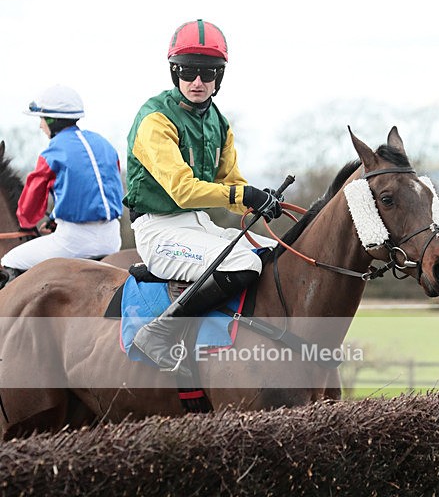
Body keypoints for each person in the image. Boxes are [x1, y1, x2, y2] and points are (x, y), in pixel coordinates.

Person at [124, 18, 282, 370]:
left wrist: (261, 199)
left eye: (207, 73)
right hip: (158, 231)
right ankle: (158, 333)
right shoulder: (155, 120)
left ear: (218, 77)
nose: (197, 81)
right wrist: (245, 194)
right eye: (188, 71)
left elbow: (231, 181)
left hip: (198, 225)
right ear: (175, 72)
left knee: (275, 254)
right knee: (244, 263)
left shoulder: (219, 122)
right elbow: (183, 191)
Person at [0, 84, 123, 284]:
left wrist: (28, 223)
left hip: (75, 241)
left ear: (52, 120)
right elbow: (97, 190)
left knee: (9, 259)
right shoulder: (104, 144)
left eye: (41, 119)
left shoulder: (53, 152)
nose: (40, 126)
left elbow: (28, 213)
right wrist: (55, 220)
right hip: (112, 238)